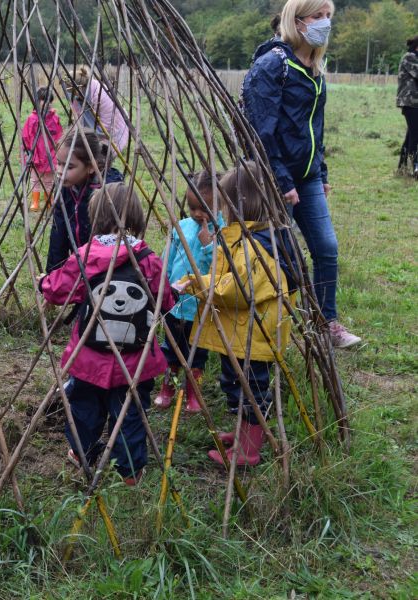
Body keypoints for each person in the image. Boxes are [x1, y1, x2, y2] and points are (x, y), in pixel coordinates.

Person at [241, 0, 360, 348]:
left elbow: (314, 128)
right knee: (281, 255)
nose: (325, 23)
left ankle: (326, 323)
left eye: (328, 16)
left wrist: (321, 171)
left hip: (308, 177)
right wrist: (281, 179)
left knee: (326, 248)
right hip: (275, 178)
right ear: (297, 20)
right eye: (317, 16)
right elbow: (260, 130)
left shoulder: (315, 66)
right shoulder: (272, 65)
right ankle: (269, 324)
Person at [40, 183, 173, 485]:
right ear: (136, 217)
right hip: (134, 360)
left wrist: (42, 282)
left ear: (95, 218)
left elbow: (58, 290)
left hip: (90, 356)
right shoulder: (148, 259)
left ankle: (81, 452)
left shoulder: (86, 257)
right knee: (130, 413)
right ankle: (130, 471)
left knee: (84, 407)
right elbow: (165, 299)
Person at [178, 162, 297, 467]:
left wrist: (197, 283)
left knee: (250, 388)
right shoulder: (258, 237)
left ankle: (249, 451)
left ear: (238, 205)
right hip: (248, 332)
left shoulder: (256, 245)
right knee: (238, 383)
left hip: (253, 334)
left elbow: (238, 289)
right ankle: (244, 434)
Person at [154, 171, 225, 413]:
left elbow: (221, 268)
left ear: (220, 205)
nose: (196, 213)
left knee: (197, 354)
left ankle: (193, 393)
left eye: (203, 208)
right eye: (192, 207)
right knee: (171, 350)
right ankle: (168, 388)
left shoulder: (222, 233)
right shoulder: (182, 227)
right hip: (175, 305)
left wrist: (208, 246)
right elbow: (168, 259)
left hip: (201, 307)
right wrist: (163, 285)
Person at [46, 128, 121, 274]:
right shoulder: (65, 188)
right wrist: (53, 275)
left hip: (104, 270)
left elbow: (115, 243)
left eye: (69, 166)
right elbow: (58, 234)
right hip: (78, 264)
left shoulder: (108, 194)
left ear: (91, 167)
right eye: (59, 163)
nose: (60, 171)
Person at [63, 66, 129, 155]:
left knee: (103, 154)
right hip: (94, 126)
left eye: (73, 92)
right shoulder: (76, 95)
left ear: (80, 88)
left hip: (112, 127)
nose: (72, 94)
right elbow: (78, 117)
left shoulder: (100, 94)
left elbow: (108, 125)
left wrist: (91, 137)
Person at [21, 86, 63, 212]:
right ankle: (35, 201)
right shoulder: (32, 119)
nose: (47, 103)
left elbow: (59, 136)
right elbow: (26, 137)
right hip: (36, 155)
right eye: (44, 100)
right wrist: (27, 152)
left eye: (49, 100)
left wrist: (58, 151)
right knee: (35, 179)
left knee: (49, 180)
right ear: (37, 101)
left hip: (50, 154)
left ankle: (49, 200)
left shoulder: (54, 119)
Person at [396, 35, 418, 178]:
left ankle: (402, 168)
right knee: (415, 136)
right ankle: (415, 167)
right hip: (410, 102)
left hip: (414, 103)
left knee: (411, 136)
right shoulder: (410, 57)